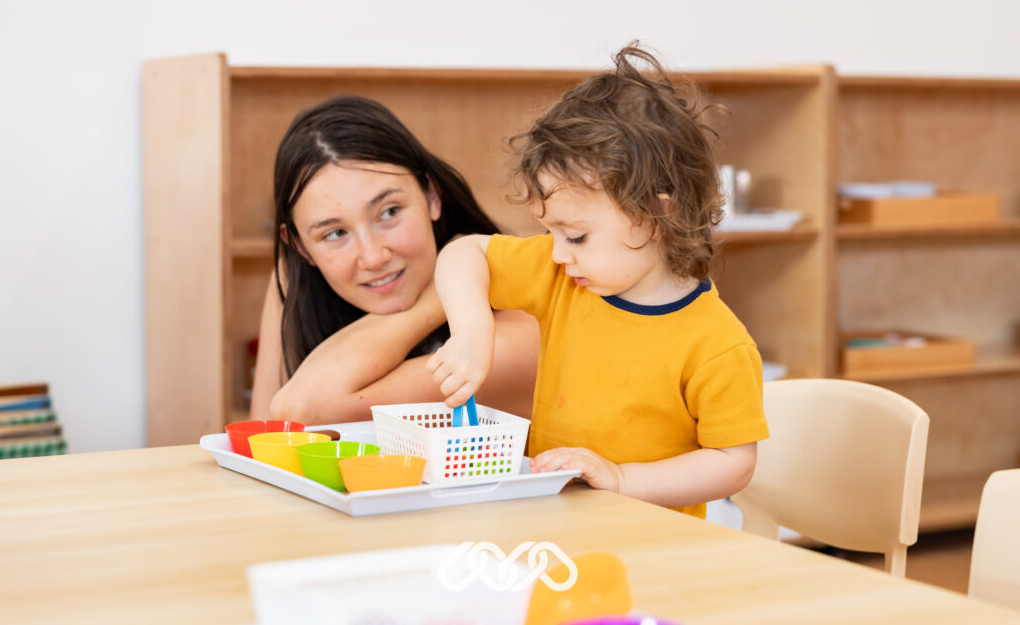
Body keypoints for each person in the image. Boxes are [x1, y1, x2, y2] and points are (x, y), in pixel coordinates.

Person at [425, 44, 769, 518]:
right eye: (552, 233)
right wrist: (473, 331)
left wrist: (622, 479)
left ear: (655, 215)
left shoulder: (717, 344)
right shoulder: (564, 273)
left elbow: (733, 463)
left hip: (655, 548)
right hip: (557, 526)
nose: (559, 252)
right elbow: (464, 252)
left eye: (577, 235)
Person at [250, 95, 538, 424]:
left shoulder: (519, 314)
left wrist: (463, 272)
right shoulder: (293, 277)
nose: (373, 257)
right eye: (334, 234)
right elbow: (263, 439)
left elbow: (303, 407)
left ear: (432, 196)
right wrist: (444, 290)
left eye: (389, 212)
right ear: (301, 248)